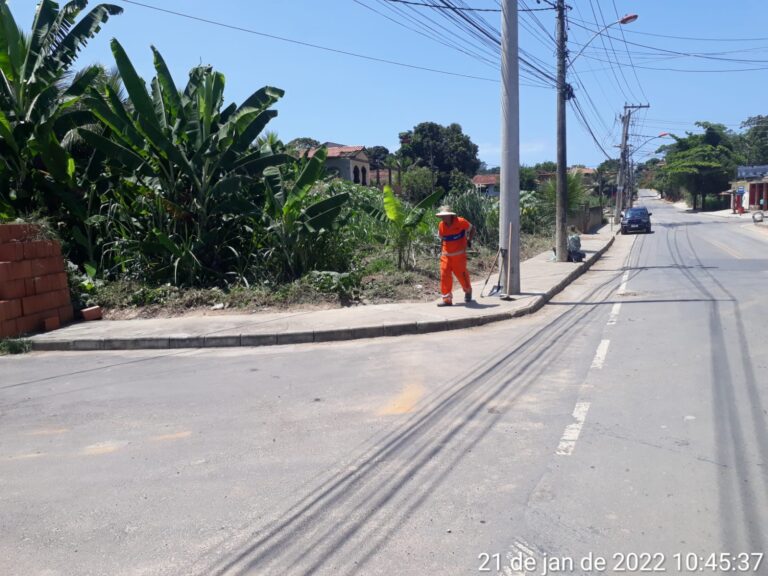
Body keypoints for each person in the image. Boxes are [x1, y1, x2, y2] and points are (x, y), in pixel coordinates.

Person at [435, 205, 474, 307]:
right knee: (444, 276)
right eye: (442, 216)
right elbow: (442, 239)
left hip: (459, 256)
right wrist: (440, 251)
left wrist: (469, 240)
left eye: (445, 216)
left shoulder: (461, 222)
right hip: (446, 255)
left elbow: (472, 228)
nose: (443, 218)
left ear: (450, 215)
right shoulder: (441, 225)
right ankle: (447, 300)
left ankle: (468, 290)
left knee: (462, 275)